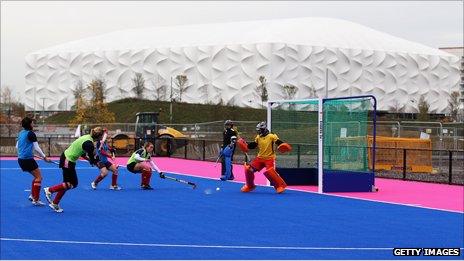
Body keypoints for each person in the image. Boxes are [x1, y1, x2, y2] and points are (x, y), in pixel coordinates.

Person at [43, 127, 103, 213]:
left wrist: (91, 160)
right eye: (102, 136)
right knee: (73, 184)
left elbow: (82, 153)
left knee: (66, 184)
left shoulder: (87, 138)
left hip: (67, 158)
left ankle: (55, 203)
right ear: (99, 136)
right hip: (68, 159)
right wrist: (96, 162)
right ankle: (50, 190)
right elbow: (92, 159)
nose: (102, 138)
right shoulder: (89, 144)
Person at [236, 121, 292, 194]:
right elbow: (254, 145)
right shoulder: (258, 137)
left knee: (270, 172)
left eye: (259, 130)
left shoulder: (272, 136)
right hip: (260, 158)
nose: (258, 132)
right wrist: (246, 145)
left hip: (269, 158)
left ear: (263, 129)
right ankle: (250, 186)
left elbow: (279, 142)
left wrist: (283, 146)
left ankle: (279, 186)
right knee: (248, 170)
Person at [16, 117, 51, 206]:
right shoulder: (31, 134)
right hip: (27, 159)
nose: (33, 124)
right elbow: (36, 148)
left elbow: (17, 146)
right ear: (30, 124)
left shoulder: (21, 133)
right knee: (39, 177)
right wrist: (44, 157)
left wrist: (25, 151)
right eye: (32, 123)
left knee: (36, 177)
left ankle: (32, 195)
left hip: (21, 159)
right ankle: (36, 200)